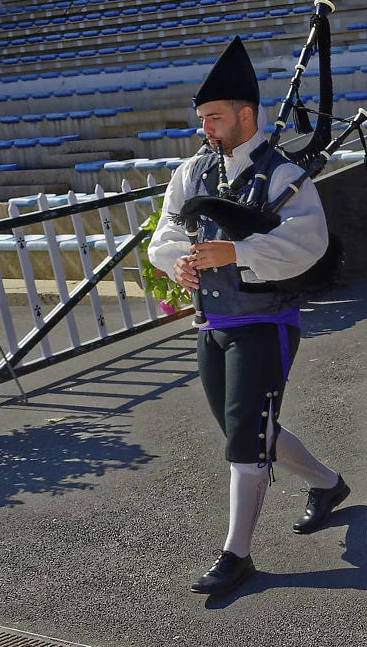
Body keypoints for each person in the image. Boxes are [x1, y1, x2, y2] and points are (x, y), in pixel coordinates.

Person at [146, 36, 347, 597]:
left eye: (213, 117)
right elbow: (164, 231)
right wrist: (177, 263)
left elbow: (309, 244)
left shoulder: (284, 176)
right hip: (210, 322)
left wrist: (239, 252)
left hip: (265, 320)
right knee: (249, 430)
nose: (205, 128)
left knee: (243, 438)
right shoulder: (192, 171)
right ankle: (328, 485)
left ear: (245, 114)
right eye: (201, 119)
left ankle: (237, 554)